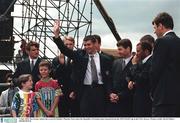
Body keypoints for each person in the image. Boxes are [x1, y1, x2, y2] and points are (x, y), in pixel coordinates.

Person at [52, 20, 112, 117]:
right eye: (85, 45)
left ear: (95, 44)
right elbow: (64, 50)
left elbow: (109, 78)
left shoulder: (106, 59)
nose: (86, 47)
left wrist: (110, 92)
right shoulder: (80, 56)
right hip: (85, 92)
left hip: (101, 92)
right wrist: (56, 35)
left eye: (89, 44)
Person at [151, 12, 180, 116]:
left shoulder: (161, 42)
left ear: (161, 26)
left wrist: (153, 92)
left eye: (155, 28)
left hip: (163, 98)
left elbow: (155, 71)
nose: (154, 32)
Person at [52, 36, 80, 117]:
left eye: (70, 44)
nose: (68, 46)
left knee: (75, 114)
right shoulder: (56, 59)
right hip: (61, 92)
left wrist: (75, 90)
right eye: (66, 44)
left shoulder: (78, 58)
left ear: (73, 45)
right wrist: (61, 64)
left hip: (74, 91)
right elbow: (54, 75)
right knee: (63, 114)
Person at [108, 39, 133, 116]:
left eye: (120, 49)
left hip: (129, 104)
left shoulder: (136, 63)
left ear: (128, 49)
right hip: (114, 103)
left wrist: (120, 96)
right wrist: (111, 94)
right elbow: (110, 79)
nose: (118, 52)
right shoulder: (116, 62)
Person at [127, 41, 153, 116]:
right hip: (138, 99)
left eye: (138, 51)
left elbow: (141, 79)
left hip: (146, 101)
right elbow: (130, 75)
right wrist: (131, 81)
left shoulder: (151, 63)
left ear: (146, 51)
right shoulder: (141, 61)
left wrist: (134, 65)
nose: (136, 54)